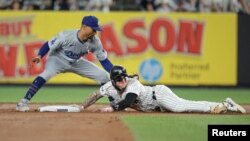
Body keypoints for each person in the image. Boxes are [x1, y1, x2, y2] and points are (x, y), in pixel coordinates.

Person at [16, 15, 113, 112]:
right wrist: (40, 55)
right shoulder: (66, 36)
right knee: (46, 74)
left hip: (75, 62)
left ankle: (114, 104)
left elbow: (104, 60)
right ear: (84, 27)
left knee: (104, 76)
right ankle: (23, 102)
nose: (95, 32)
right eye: (93, 29)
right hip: (57, 59)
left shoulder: (95, 42)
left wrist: (114, 72)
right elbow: (48, 44)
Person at [80, 65, 246, 114]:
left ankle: (222, 105)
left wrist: (112, 107)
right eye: (119, 79)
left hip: (158, 95)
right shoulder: (109, 87)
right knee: (184, 108)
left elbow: (128, 101)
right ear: (113, 81)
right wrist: (82, 106)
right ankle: (223, 106)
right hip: (154, 106)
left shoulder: (133, 84)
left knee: (181, 106)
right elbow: (95, 95)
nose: (123, 80)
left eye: (124, 77)